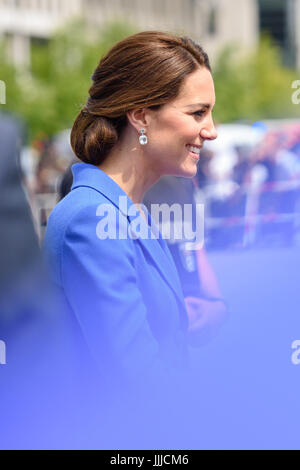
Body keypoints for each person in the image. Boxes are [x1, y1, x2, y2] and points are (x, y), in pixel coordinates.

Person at [43, 31, 218, 446]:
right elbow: (139, 385)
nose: (211, 131)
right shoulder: (92, 218)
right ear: (140, 116)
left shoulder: (126, 211)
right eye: (197, 113)